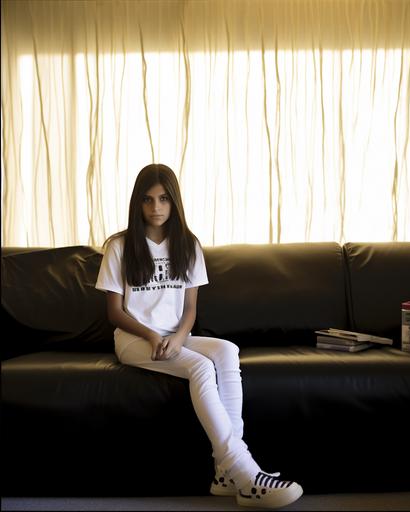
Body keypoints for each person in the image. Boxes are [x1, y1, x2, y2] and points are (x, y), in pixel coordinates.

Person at [95, 163, 303, 509]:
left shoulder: (187, 244)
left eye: (163, 199)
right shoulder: (119, 246)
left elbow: (190, 308)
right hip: (134, 340)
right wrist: (150, 335)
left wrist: (178, 337)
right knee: (201, 368)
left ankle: (225, 472)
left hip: (173, 336)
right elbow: (114, 312)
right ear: (138, 204)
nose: (156, 208)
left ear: (174, 201)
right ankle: (245, 473)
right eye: (147, 200)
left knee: (226, 351)